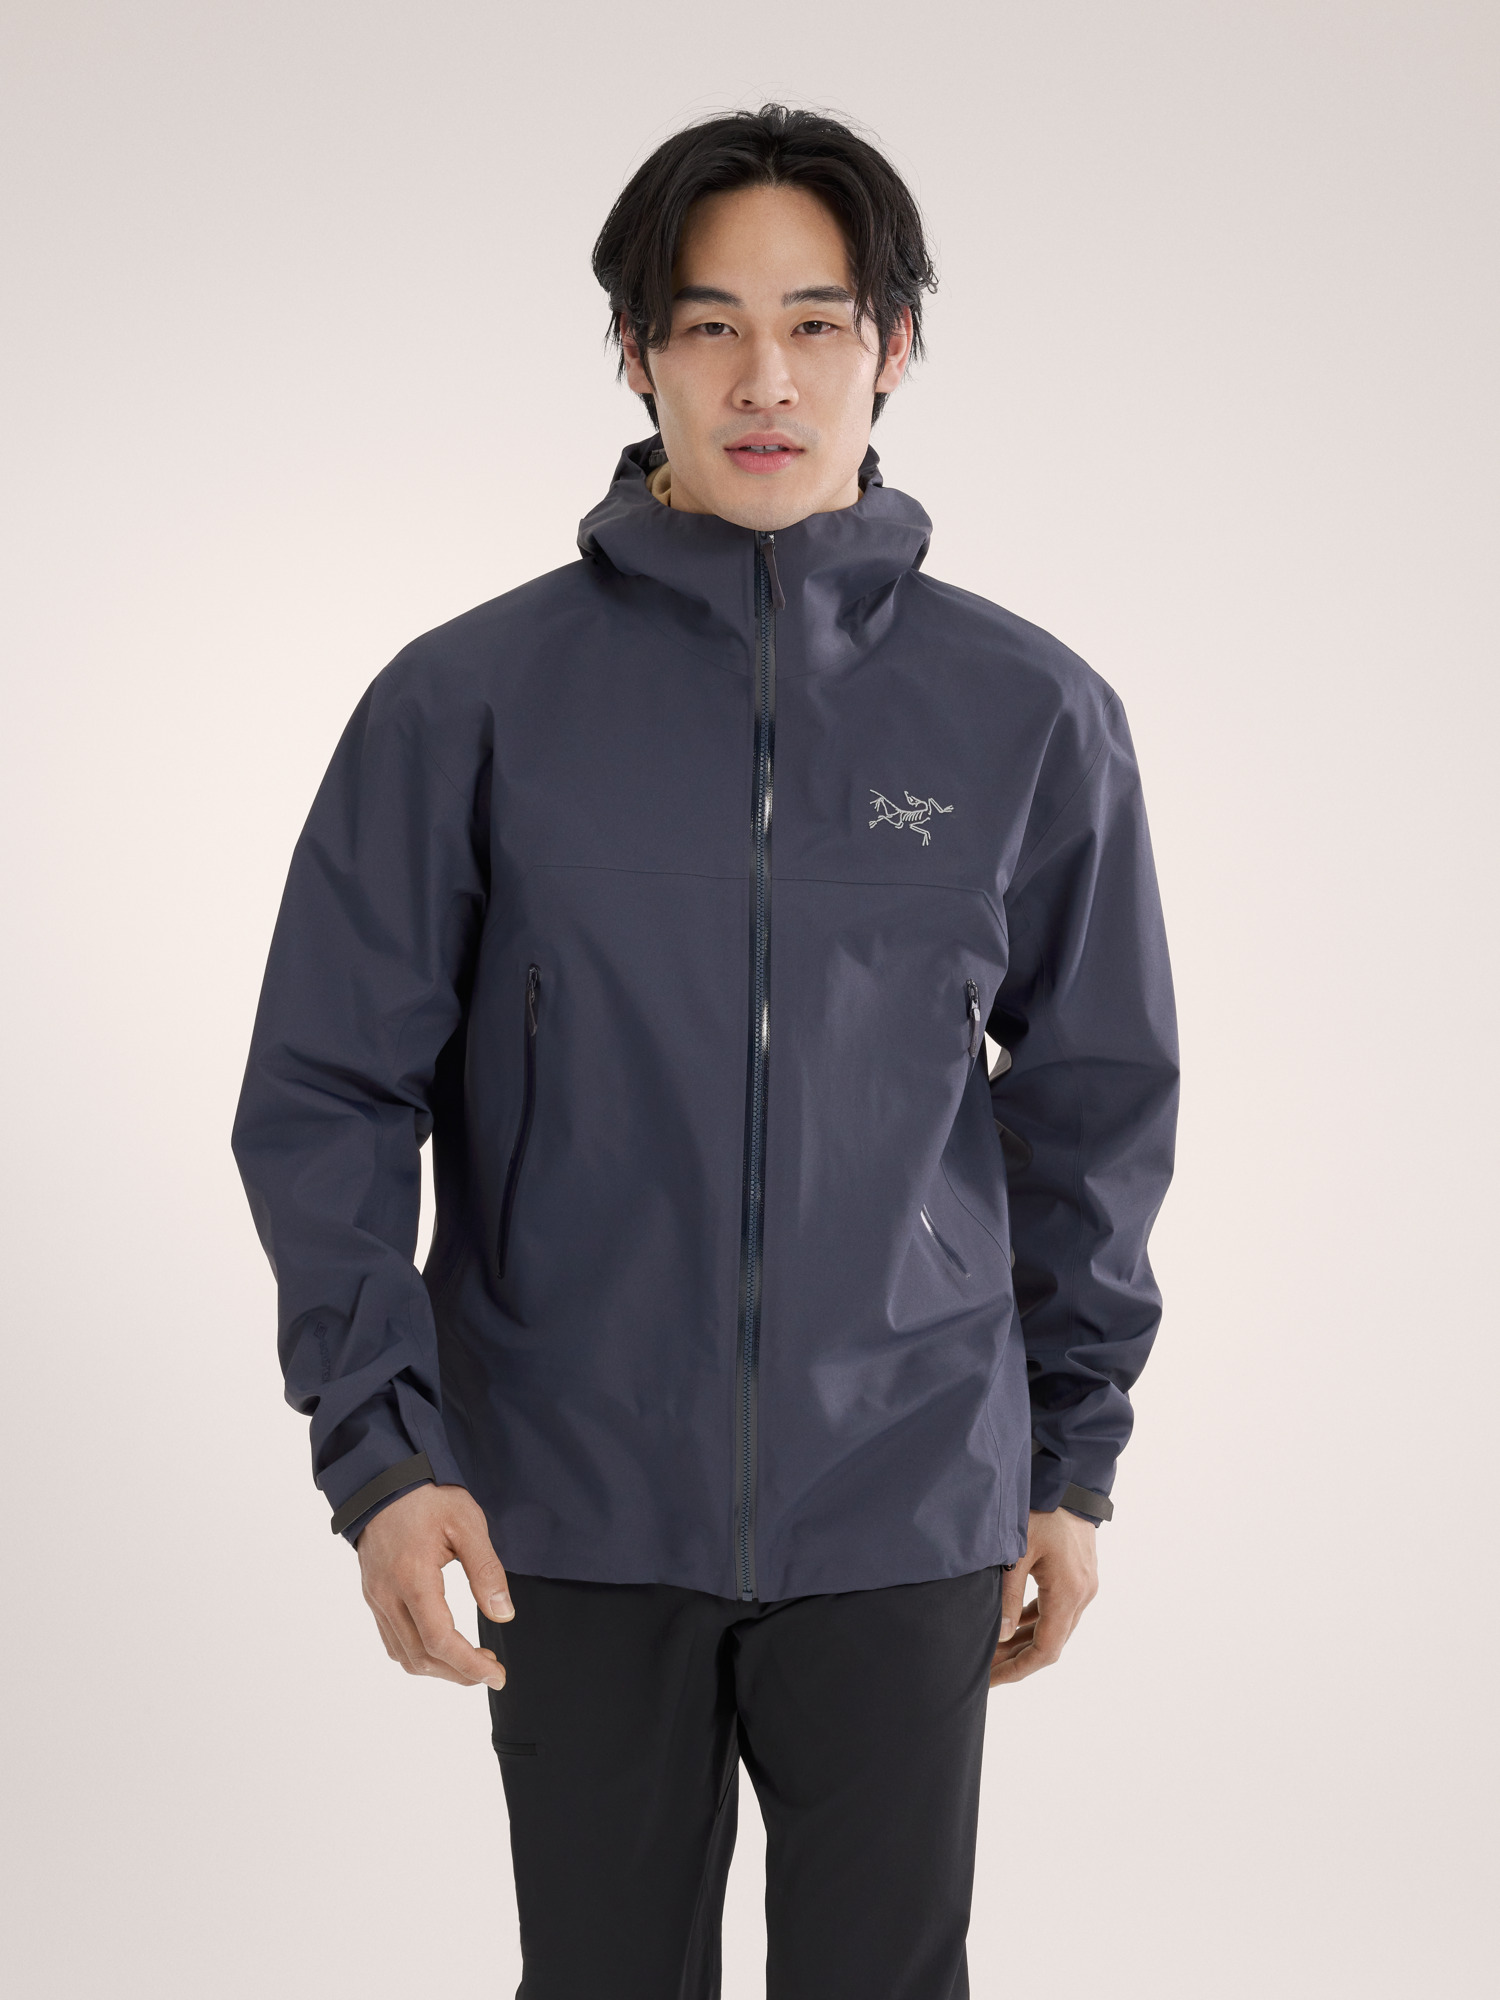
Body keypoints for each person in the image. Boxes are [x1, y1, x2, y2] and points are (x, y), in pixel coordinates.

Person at [232, 102, 1179, 2000]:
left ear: (892, 348)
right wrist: (385, 1456)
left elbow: (1094, 1111)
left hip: (909, 1491)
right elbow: (328, 1093)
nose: (766, 379)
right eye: (709, 325)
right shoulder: (467, 702)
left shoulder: (1027, 712)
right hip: (566, 1498)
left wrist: (1070, 1468)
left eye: (818, 323)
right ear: (635, 351)